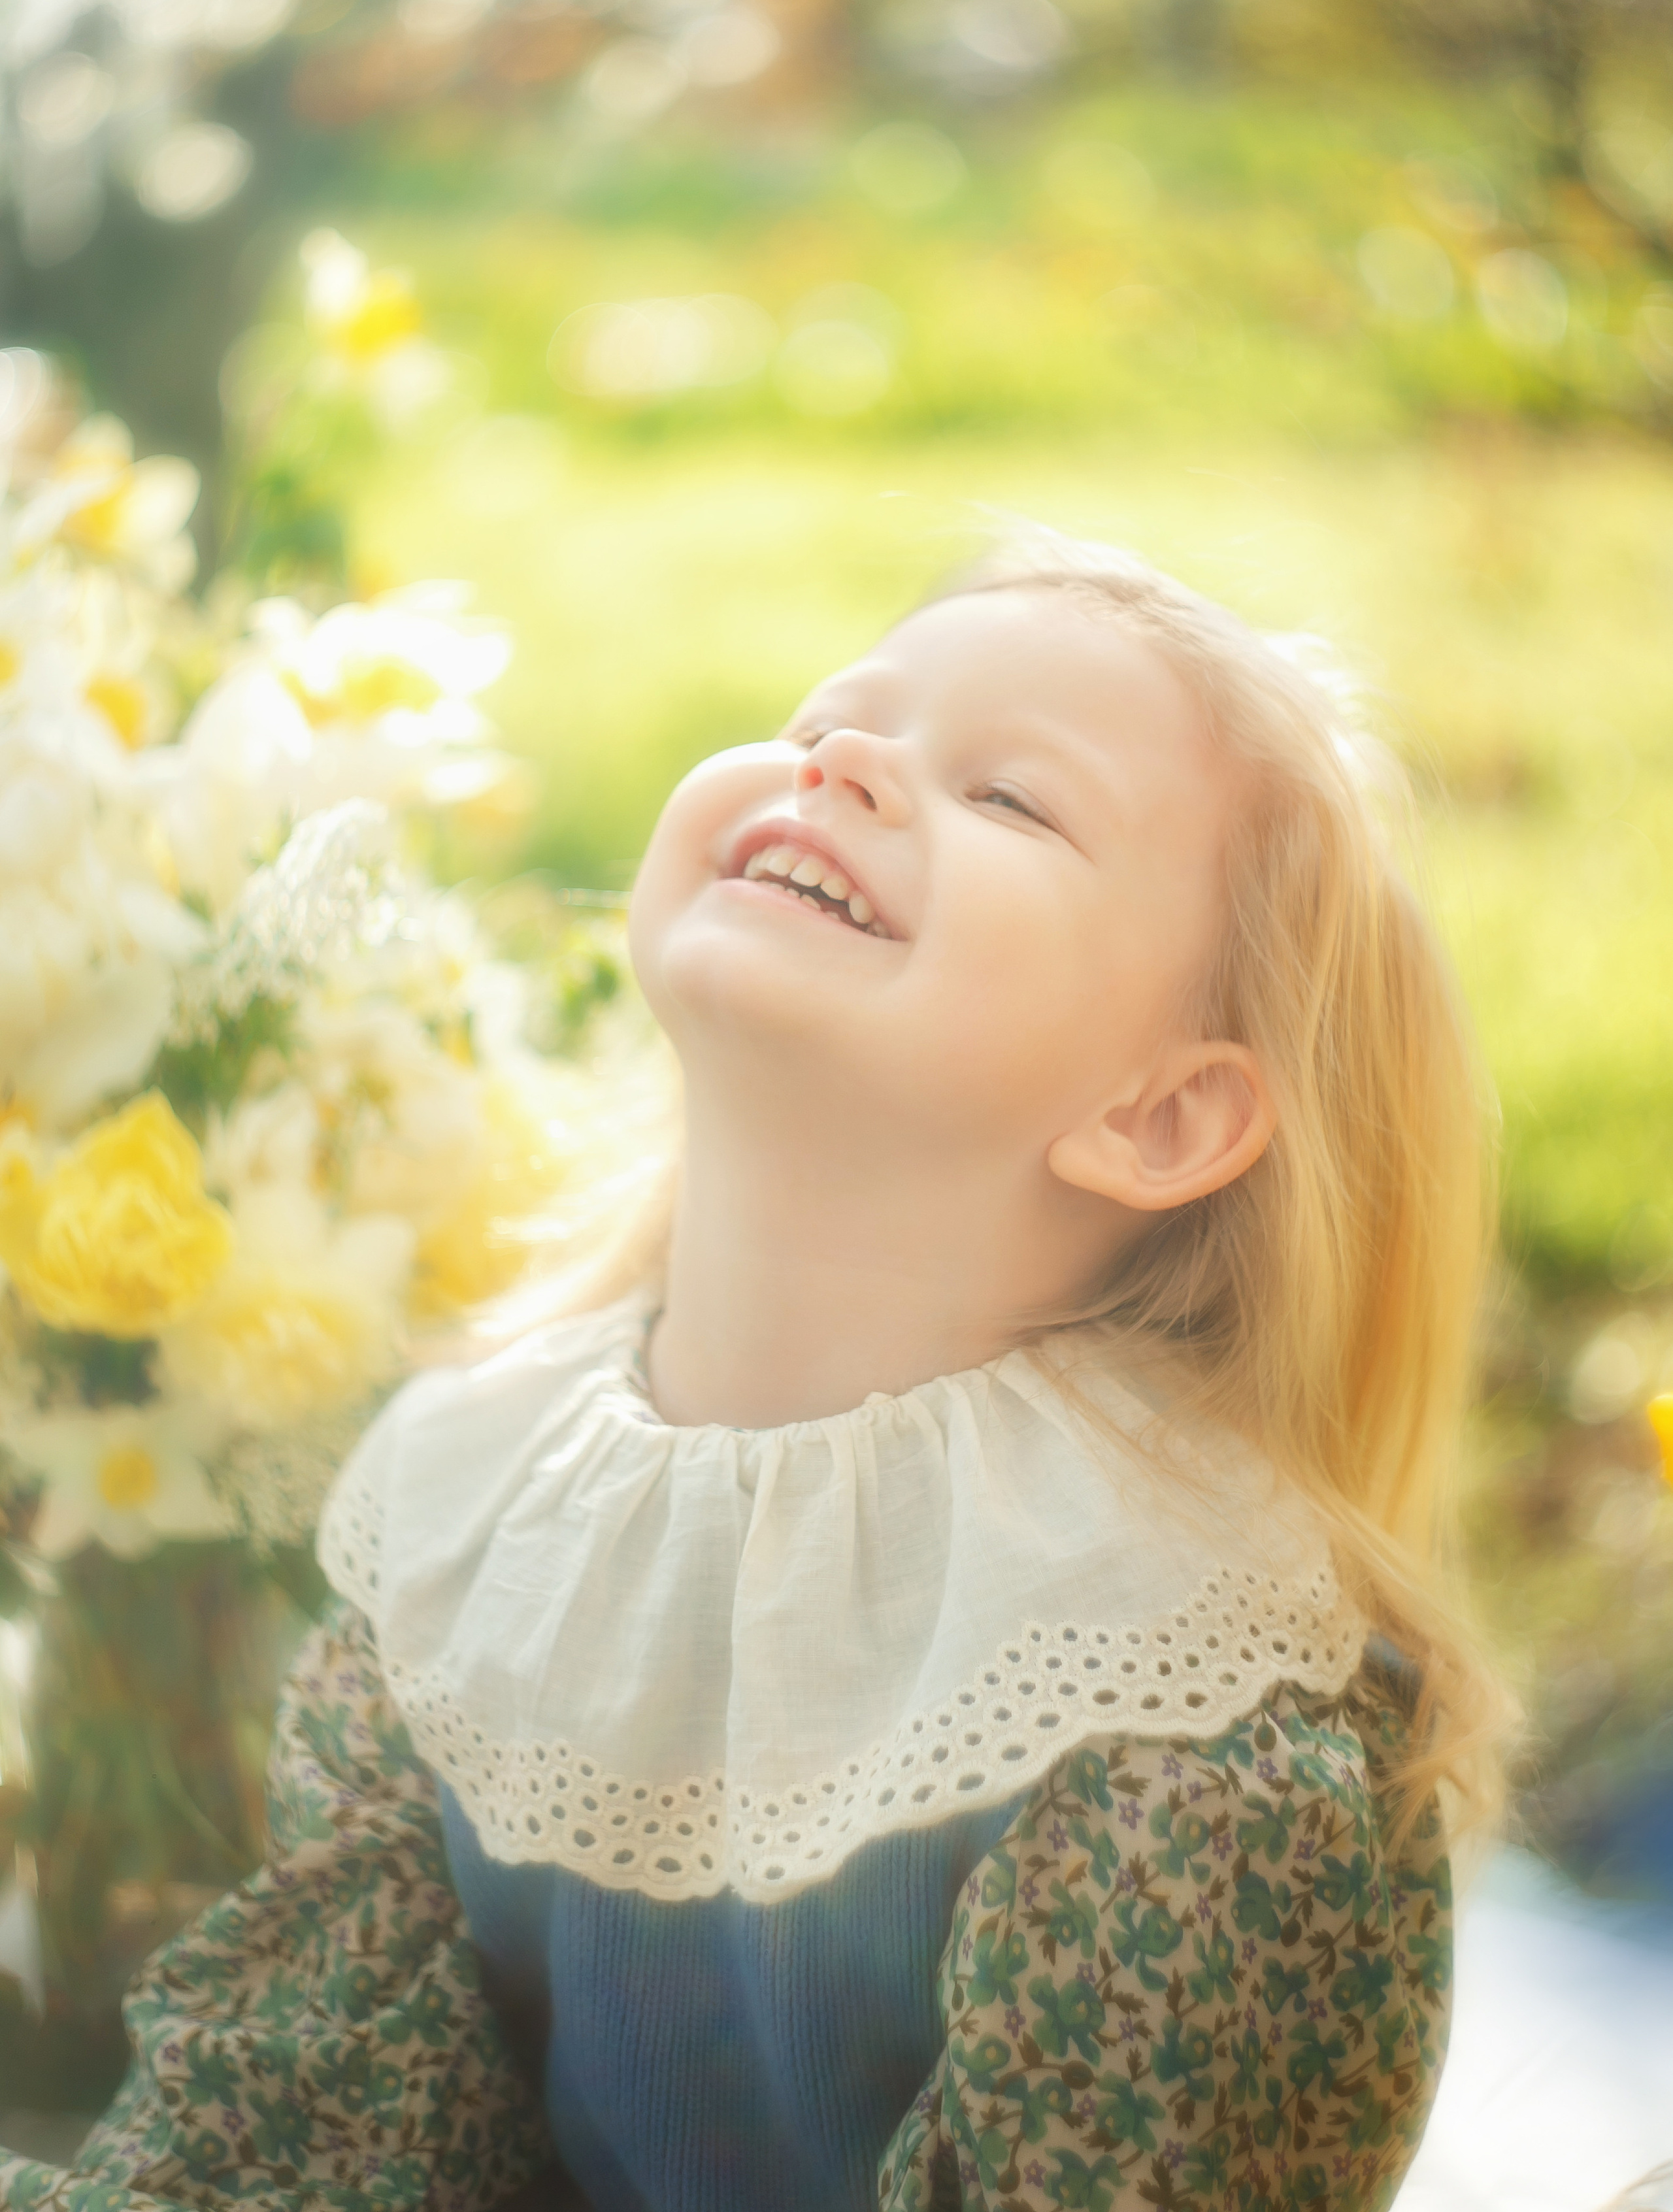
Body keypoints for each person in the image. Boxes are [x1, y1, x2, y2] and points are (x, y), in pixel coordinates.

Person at [0, 538, 1511, 2212]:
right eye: (826, 722)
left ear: (1159, 1118)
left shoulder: (1180, 1697)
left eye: (1009, 799)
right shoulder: (466, 1516)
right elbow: (305, 2157)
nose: (839, 762)